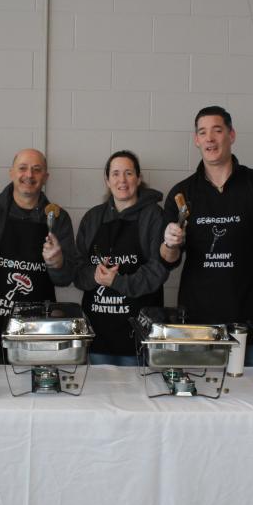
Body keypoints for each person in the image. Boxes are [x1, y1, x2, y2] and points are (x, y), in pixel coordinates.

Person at [160, 106, 253, 338]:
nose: (209, 138)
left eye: (217, 130)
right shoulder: (182, 192)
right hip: (197, 320)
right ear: (196, 140)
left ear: (231, 135)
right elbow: (168, 260)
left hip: (249, 316)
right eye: (202, 132)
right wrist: (170, 243)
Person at [0, 149, 76, 358]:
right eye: (22, 168)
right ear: (11, 173)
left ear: (45, 177)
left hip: (40, 326)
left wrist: (58, 263)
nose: (29, 175)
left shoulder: (58, 218)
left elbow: (66, 278)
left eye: (37, 170)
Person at [74, 151, 168, 364]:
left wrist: (118, 282)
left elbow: (158, 270)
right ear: (107, 180)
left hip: (139, 338)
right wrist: (95, 276)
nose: (122, 180)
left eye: (128, 173)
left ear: (138, 178)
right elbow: (77, 271)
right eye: (115, 174)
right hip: (98, 338)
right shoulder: (92, 218)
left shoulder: (153, 216)